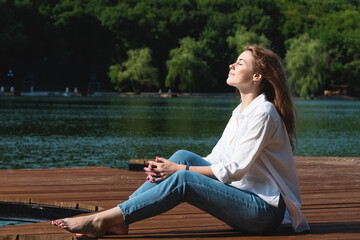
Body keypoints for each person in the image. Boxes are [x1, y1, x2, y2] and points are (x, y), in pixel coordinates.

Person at [52, 45, 310, 237]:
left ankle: (105, 220)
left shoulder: (263, 113)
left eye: (240, 63)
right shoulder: (242, 111)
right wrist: (177, 166)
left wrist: (180, 171)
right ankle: (121, 218)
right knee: (183, 155)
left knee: (183, 176)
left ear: (257, 77)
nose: (232, 65)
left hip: (263, 212)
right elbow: (216, 161)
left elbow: (234, 170)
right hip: (245, 199)